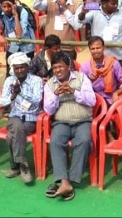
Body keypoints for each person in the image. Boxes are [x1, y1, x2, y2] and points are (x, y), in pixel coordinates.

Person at [43, 51, 97, 202]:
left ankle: (68, 181)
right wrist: (55, 94)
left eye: (60, 67)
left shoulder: (81, 78)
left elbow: (92, 101)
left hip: (82, 120)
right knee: (55, 142)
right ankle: (65, 183)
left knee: (84, 141)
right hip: (62, 122)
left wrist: (74, 92)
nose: (58, 71)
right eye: (54, 68)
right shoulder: (50, 84)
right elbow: (48, 110)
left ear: (69, 67)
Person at [0, 52, 43, 184]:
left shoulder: (36, 80)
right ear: (13, 69)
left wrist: (21, 92)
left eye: (22, 67)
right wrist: (13, 95)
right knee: (17, 127)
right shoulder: (9, 81)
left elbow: (37, 100)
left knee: (11, 136)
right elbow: (2, 101)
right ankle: (23, 165)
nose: (19, 70)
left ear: (27, 67)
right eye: (16, 68)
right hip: (15, 115)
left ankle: (15, 167)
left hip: (32, 117)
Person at [78, 36, 122, 104]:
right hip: (93, 100)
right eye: (93, 49)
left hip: (110, 99)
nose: (95, 51)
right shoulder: (85, 67)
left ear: (103, 48)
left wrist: (116, 93)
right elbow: (79, 87)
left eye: (98, 48)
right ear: (89, 50)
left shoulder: (113, 63)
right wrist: (89, 80)